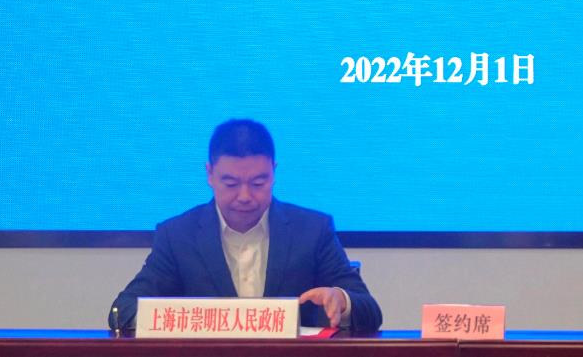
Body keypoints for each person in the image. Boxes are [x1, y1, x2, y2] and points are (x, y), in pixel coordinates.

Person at [109, 119, 382, 332]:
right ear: (209, 174)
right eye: (231, 183)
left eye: (258, 183)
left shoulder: (312, 230)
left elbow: (371, 310)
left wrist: (341, 299)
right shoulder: (178, 235)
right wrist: (183, 319)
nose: (244, 196)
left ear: (274, 172)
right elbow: (122, 311)